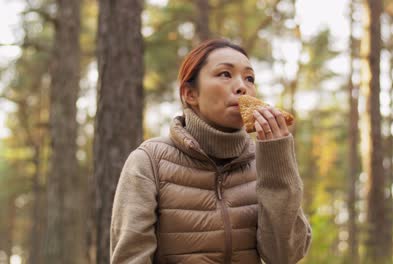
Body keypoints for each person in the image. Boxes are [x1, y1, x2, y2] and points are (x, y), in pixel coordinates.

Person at [110, 39, 311, 264]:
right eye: (225, 74)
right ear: (190, 94)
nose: (242, 87)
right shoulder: (149, 161)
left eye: (249, 78)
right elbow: (130, 259)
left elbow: (285, 256)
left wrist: (278, 162)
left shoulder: (265, 163)